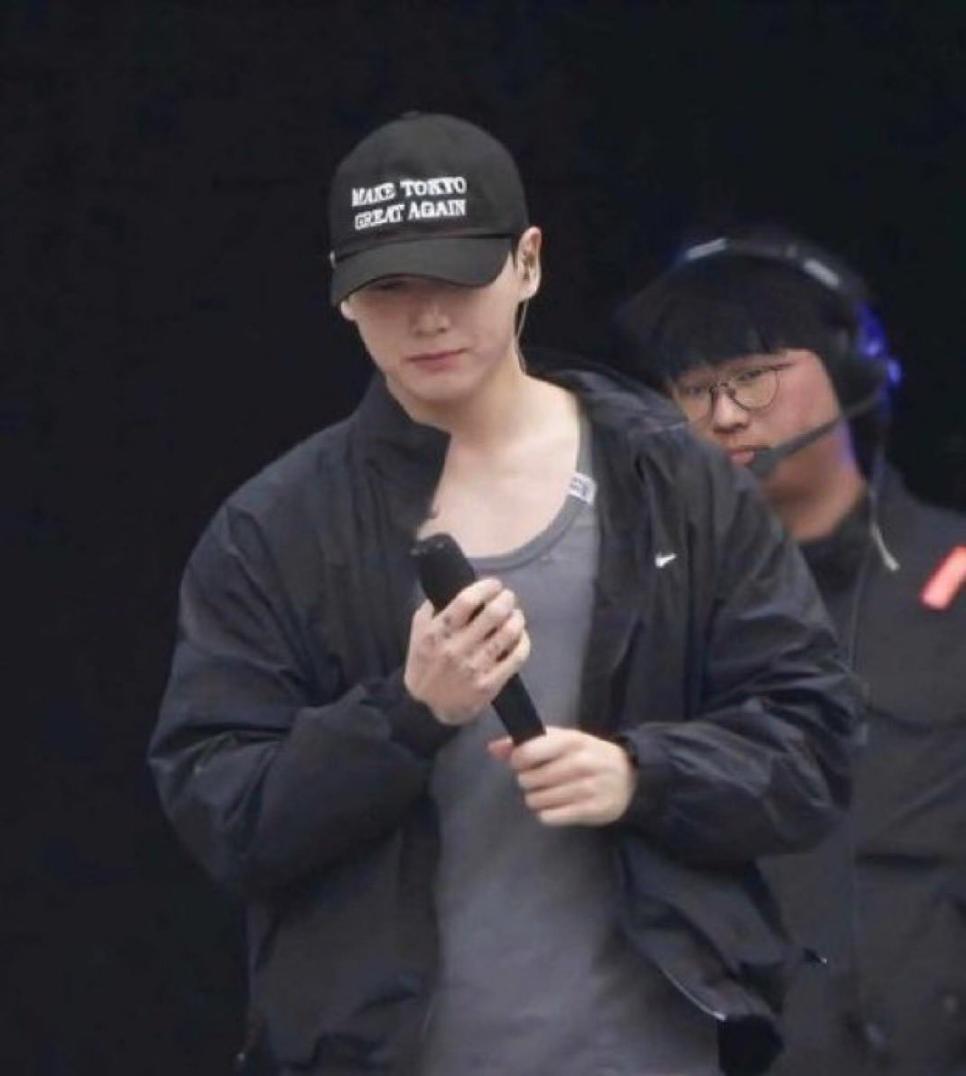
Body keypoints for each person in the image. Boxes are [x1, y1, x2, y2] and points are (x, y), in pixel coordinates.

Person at [149, 117, 858, 1076]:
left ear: (528, 263)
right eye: (390, 288)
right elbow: (223, 815)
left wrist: (642, 774)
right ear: (342, 295)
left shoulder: (671, 479)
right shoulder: (274, 529)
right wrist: (406, 714)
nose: (428, 318)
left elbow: (814, 744)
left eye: (457, 278)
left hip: (653, 1050)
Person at [614, 227, 966, 1075]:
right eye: (693, 387)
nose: (725, 414)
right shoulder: (643, 612)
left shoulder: (954, 582)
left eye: (753, 375)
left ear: (854, 368)